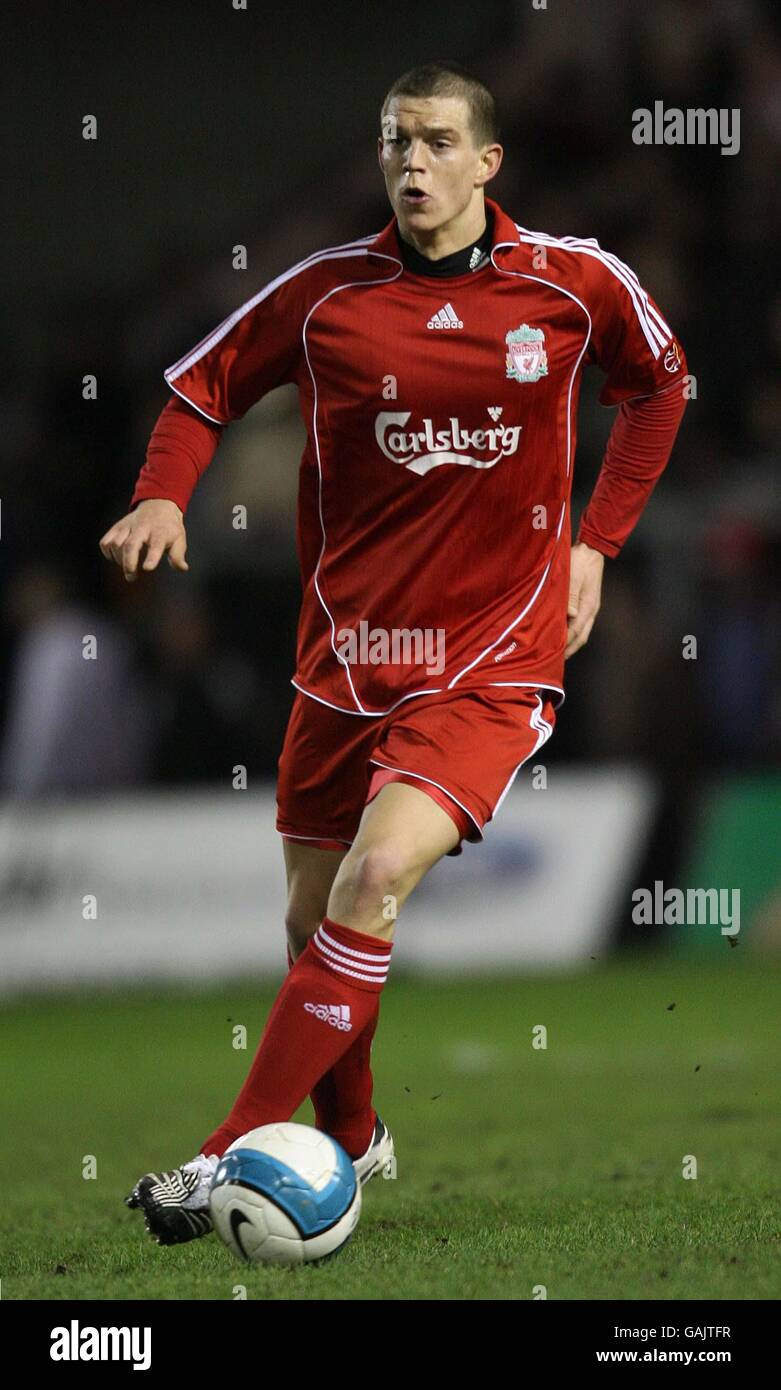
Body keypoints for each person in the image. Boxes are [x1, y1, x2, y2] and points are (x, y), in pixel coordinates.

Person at [100, 61, 689, 1245]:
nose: (410, 163)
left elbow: (660, 386)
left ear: (486, 163)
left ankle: (216, 1159)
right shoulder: (324, 297)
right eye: (392, 143)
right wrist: (165, 495)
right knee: (310, 924)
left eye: (432, 141)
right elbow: (201, 389)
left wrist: (596, 543)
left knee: (374, 884)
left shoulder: (573, 287)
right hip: (345, 660)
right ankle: (356, 1134)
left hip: (492, 659)